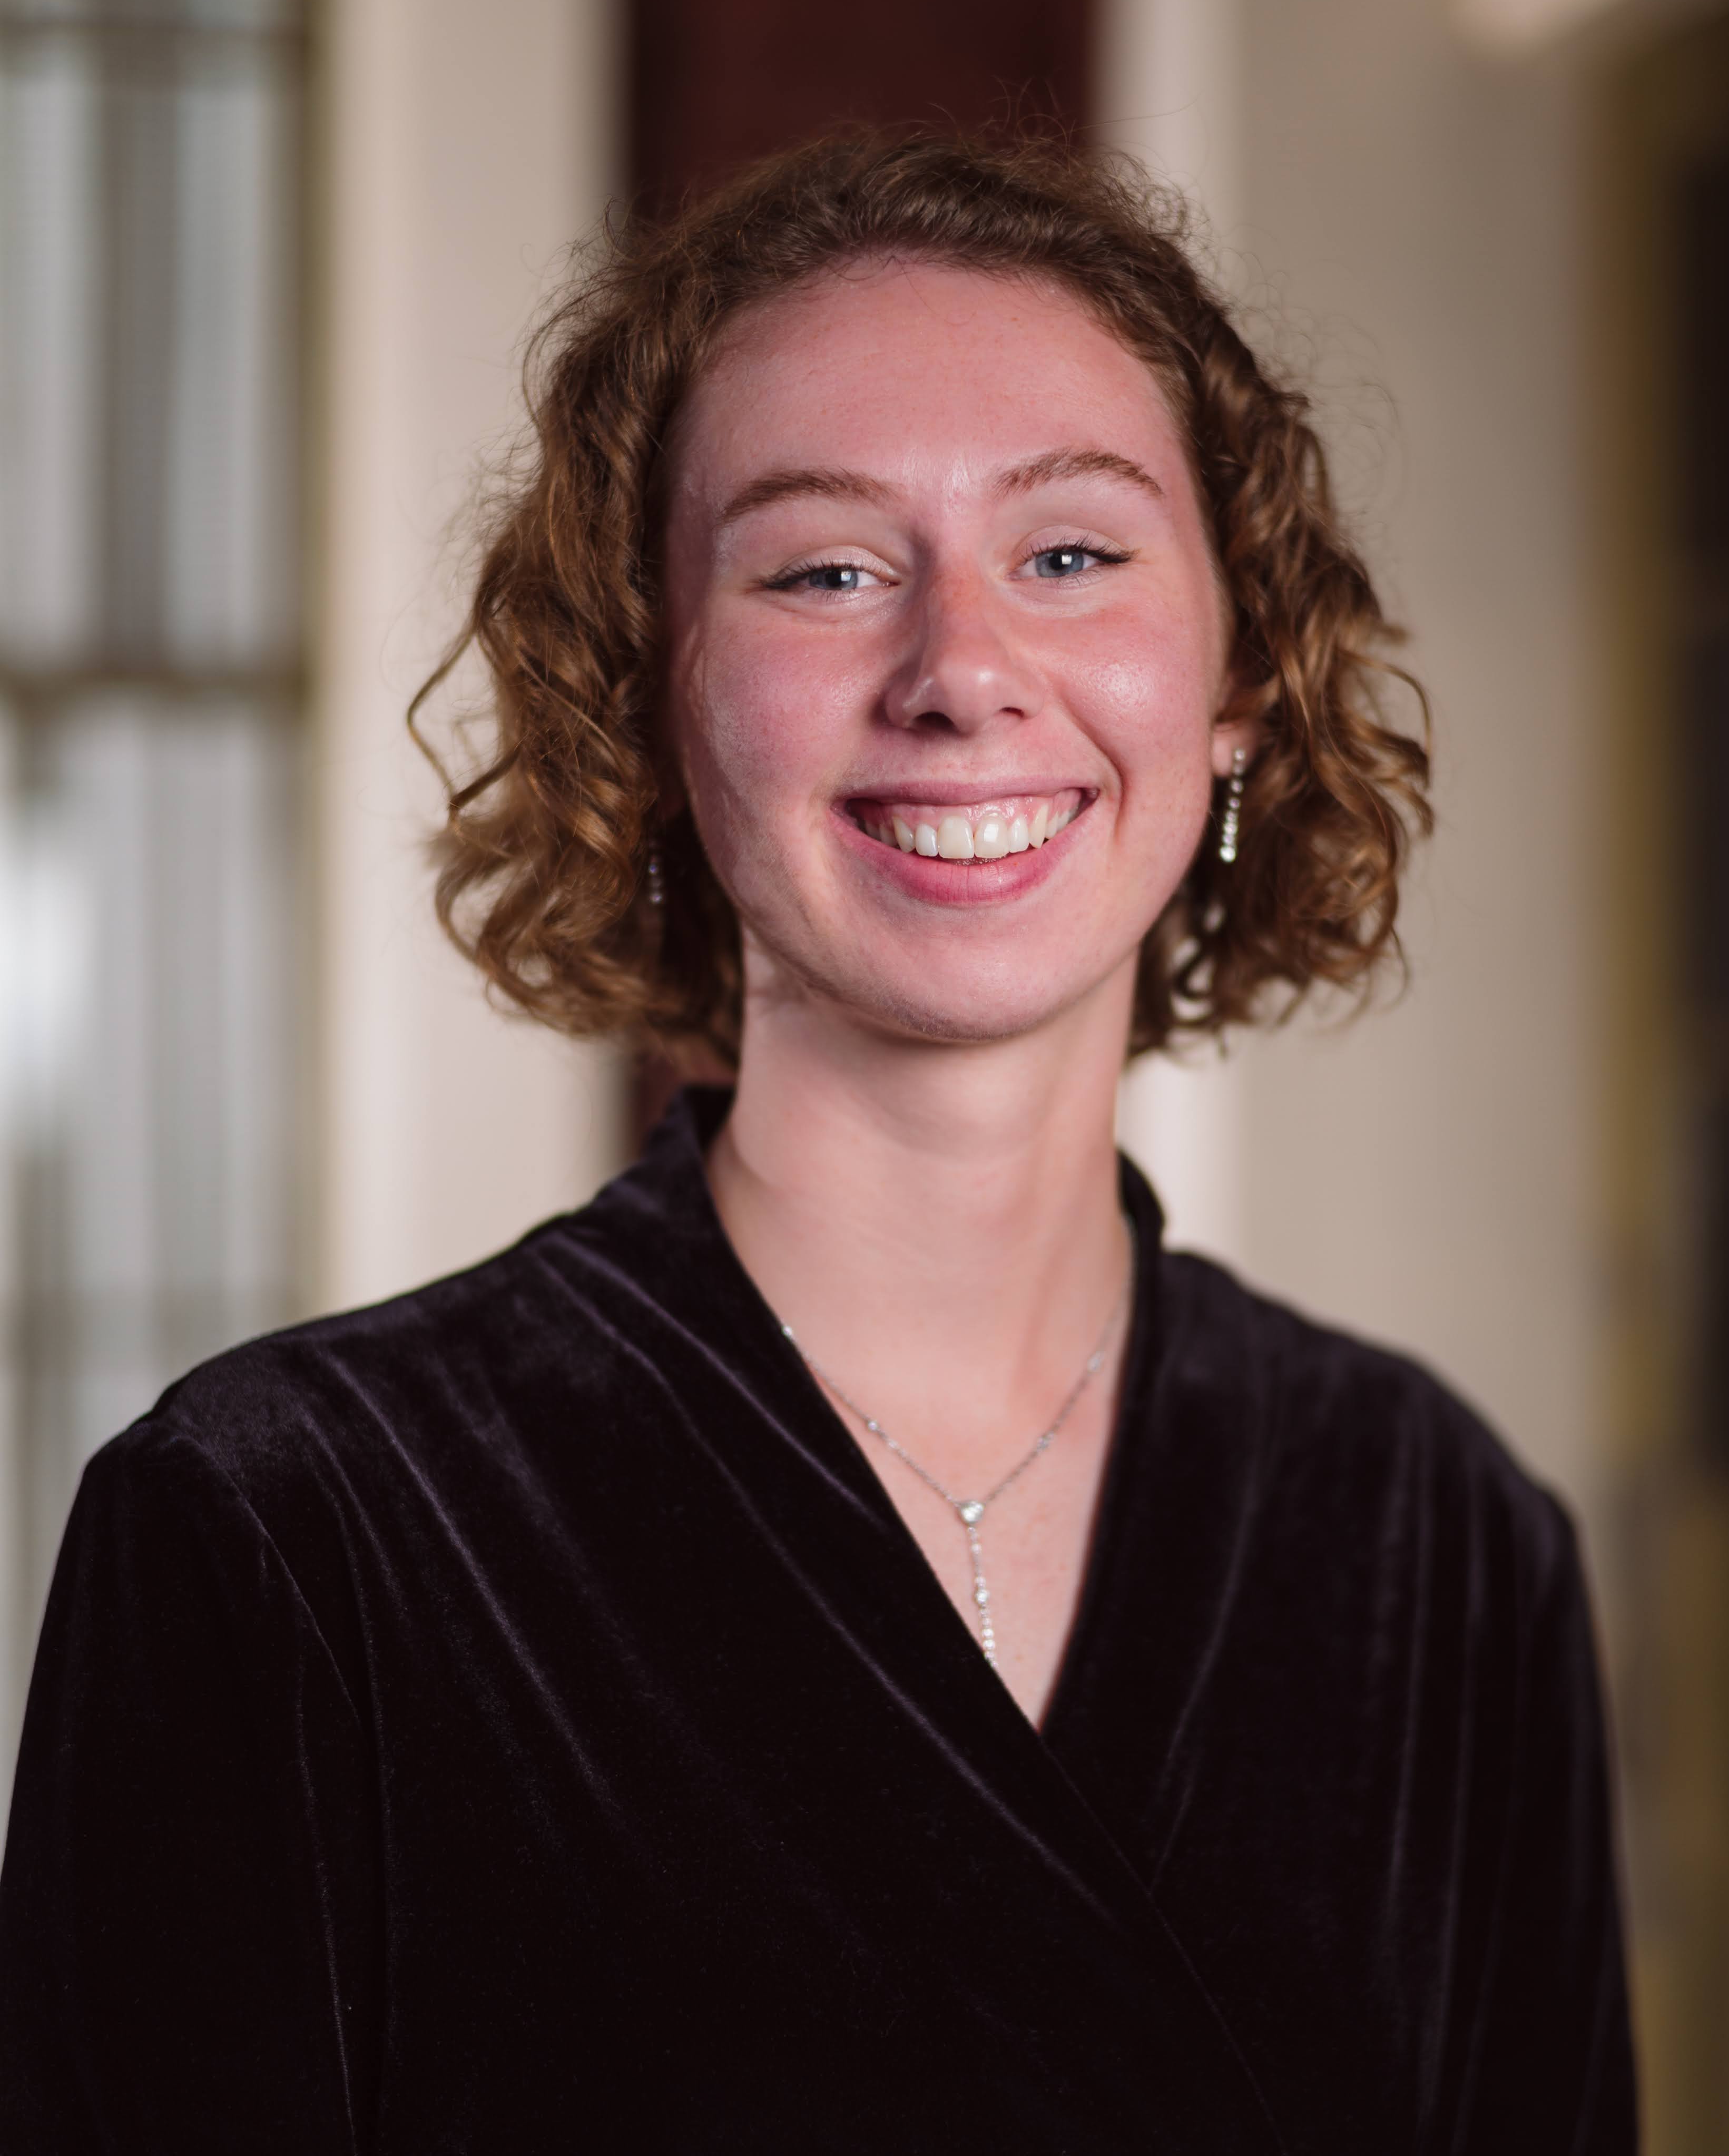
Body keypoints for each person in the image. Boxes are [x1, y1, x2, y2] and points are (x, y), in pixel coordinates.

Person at [0, 130, 1635, 2151]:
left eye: (1070, 552)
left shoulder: (1444, 1545)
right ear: (653, 709)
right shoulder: (283, 1536)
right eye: (823, 570)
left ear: (1233, 682)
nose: (958, 674)